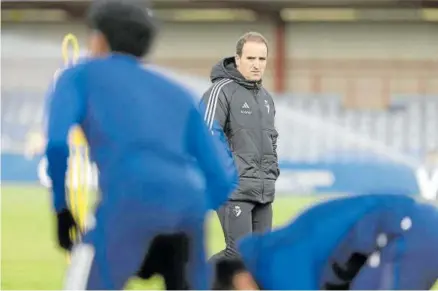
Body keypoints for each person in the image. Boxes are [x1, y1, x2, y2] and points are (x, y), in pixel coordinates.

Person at [44, 1, 238, 289]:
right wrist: (184, 209)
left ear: (98, 38)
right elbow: (223, 175)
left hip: (127, 201)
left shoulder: (78, 75)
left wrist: (62, 209)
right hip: (188, 209)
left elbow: (58, 145)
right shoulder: (178, 93)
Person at [212, 194, 438, 290]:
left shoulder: (280, 266)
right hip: (410, 230)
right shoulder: (273, 253)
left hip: (409, 233)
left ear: (241, 282)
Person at [201, 31, 280, 262]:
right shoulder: (221, 90)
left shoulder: (266, 98)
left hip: (263, 190)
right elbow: (207, 135)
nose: (257, 65)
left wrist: (272, 173)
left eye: (262, 59)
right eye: (250, 58)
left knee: (261, 257)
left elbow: (271, 139)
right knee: (238, 256)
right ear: (237, 60)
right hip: (233, 190)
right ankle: (193, 281)